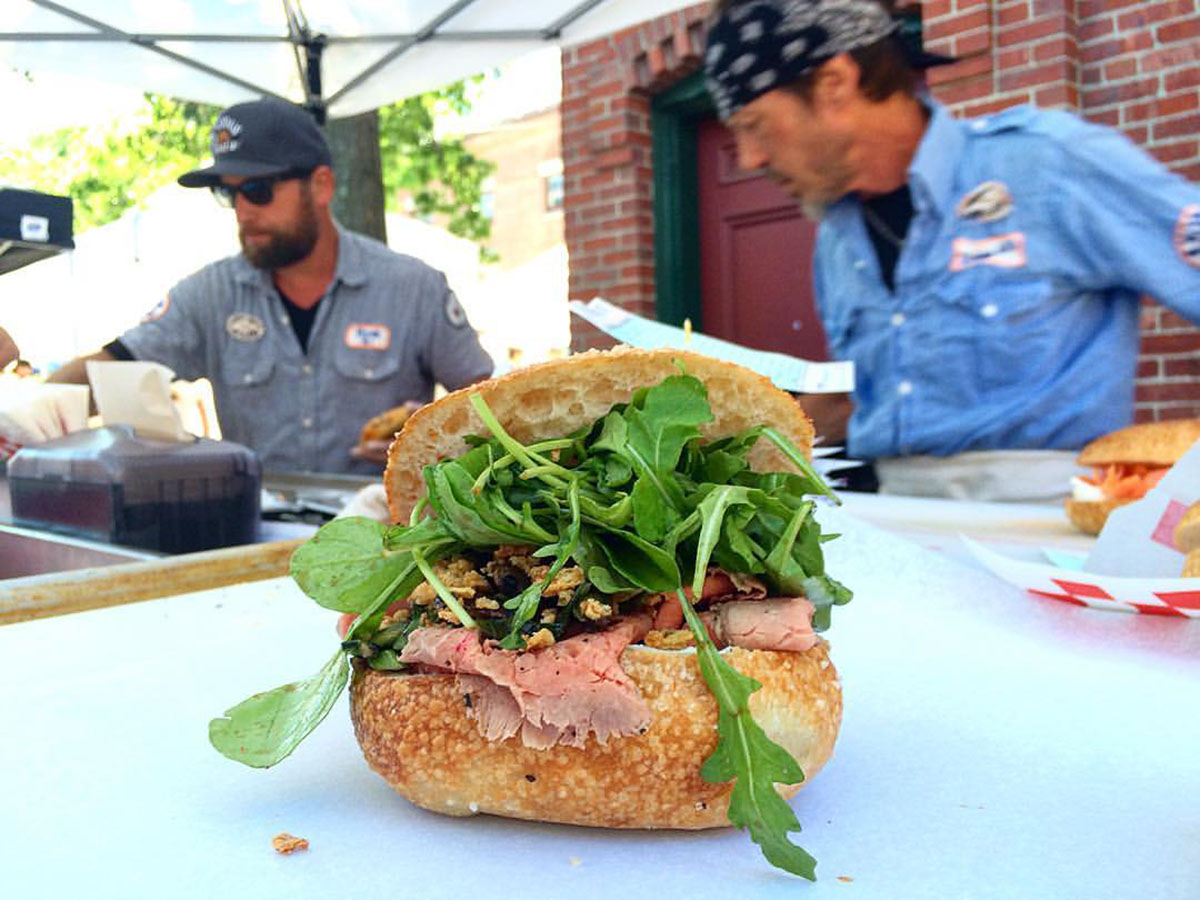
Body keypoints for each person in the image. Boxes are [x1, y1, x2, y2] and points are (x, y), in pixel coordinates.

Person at [704, 0, 1200, 501]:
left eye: (756, 126)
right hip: (898, 519)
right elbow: (869, 393)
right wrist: (719, 442)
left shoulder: (1047, 163)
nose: (749, 158)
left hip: (1052, 521)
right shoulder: (837, 235)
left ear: (834, 83)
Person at [50, 97, 493, 475]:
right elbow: (109, 368)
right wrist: (28, 412)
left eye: (258, 190)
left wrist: (431, 435)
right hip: (255, 533)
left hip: (387, 529)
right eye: (228, 193)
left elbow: (489, 409)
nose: (242, 210)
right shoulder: (209, 295)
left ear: (320, 186)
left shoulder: (413, 287)